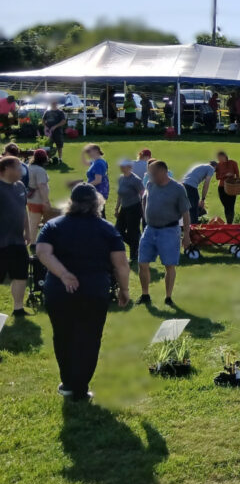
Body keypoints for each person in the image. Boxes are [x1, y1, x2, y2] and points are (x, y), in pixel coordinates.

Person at [36, 184, 130, 401]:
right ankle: (81, 386)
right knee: (89, 338)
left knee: (63, 336)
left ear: (71, 202)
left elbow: (42, 252)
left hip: (59, 291)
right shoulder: (107, 229)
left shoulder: (53, 226)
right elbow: (121, 265)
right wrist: (124, 290)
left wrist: (63, 273)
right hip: (94, 291)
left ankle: (68, 383)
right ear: (97, 203)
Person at [138, 160, 190, 307]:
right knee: (142, 263)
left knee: (169, 265)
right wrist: (146, 217)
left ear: (163, 172)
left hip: (169, 230)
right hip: (150, 229)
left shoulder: (178, 189)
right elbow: (145, 200)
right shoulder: (150, 184)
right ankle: (145, 295)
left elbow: (186, 213)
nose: (150, 176)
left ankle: (168, 297)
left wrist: (186, 235)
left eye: (153, 173)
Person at [0, 157, 30, 317]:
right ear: (6, 169)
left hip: (17, 241)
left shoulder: (20, 186)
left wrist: (28, 230)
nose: (22, 171)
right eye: (18, 168)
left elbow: (23, 210)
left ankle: (18, 308)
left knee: (20, 274)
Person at [114, 160, 145, 260]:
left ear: (129, 167)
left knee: (133, 231)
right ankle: (136, 245)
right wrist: (116, 208)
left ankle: (134, 256)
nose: (121, 168)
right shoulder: (121, 178)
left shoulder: (136, 180)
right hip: (124, 208)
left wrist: (144, 210)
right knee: (118, 231)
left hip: (134, 208)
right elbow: (120, 194)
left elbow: (143, 195)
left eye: (124, 166)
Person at [25, 149, 51, 241]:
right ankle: (32, 242)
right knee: (35, 223)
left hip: (30, 198)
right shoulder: (40, 170)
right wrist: (46, 202)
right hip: (38, 199)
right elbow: (42, 186)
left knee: (32, 220)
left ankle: (30, 239)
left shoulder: (29, 167)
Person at [212, 150, 240, 224]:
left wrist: (237, 182)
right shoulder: (218, 165)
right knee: (226, 206)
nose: (218, 159)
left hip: (231, 187)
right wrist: (225, 175)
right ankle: (229, 223)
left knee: (231, 206)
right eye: (218, 158)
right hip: (221, 188)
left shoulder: (233, 163)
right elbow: (217, 177)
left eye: (219, 157)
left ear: (224, 156)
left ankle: (229, 223)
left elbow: (237, 174)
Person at [82, 144, 110, 218]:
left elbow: (98, 180)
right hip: (98, 191)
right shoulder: (96, 161)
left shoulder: (99, 164)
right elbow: (85, 163)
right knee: (99, 213)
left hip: (98, 191)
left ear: (96, 151)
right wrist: (83, 153)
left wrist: (85, 185)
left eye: (89, 151)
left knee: (98, 213)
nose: (88, 153)